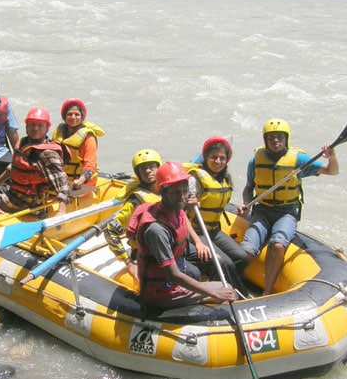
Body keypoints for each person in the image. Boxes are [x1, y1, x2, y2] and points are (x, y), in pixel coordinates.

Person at [237, 119, 339, 296]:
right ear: (265, 140)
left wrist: (332, 157)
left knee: (277, 245)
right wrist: (247, 204)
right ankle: (234, 284)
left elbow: (331, 171)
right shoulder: (255, 161)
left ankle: (267, 292)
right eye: (271, 138)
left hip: (287, 212)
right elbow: (248, 188)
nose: (275, 141)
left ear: (286, 139)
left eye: (279, 137)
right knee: (246, 249)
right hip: (262, 210)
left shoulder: (299, 160)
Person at [127, 161, 236, 311]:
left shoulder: (176, 209)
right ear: (162, 192)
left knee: (222, 277)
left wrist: (198, 242)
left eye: (184, 191)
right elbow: (173, 275)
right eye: (176, 192)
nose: (182, 197)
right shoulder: (156, 230)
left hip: (175, 277)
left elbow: (182, 224)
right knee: (223, 289)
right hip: (161, 292)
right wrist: (213, 292)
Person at [185, 136, 251, 276]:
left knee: (241, 258)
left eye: (222, 158)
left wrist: (241, 208)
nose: (218, 162)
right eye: (213, 157)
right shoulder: (195, 180)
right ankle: (222, 290)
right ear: (206, 158)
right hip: (196, 231)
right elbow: (181, 215)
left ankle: (228, 284)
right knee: (224, 262)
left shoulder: (225, 179)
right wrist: (197, 242)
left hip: (214, 231)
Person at [0, 107, 71, 217]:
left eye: (40, 126)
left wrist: (61, 211)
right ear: (26, 126)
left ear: (47, 129)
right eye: (32, 125)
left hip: (28, 202)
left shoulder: (48, 154)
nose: (35, 128)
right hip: (14, 193)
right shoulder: (24, 143)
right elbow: (13, 168)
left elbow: (62, 183)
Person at [103, 149, 164, 283]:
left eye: (151, 167)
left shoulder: (169, 193)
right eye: (143, 169)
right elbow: (109, 230)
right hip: (146, 254)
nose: (148, 171)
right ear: (138, 174)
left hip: (169, 249)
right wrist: (128, 263)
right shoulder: (135, 202)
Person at [52, 98, 105, 190]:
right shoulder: (58, 132)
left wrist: (80, 180)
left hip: (83, 183)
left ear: (82, 117)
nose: (73, 117)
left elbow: (90, 164)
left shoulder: (88, 137)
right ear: (64, 117)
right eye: (69, 114)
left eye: (77, 114)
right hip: (63, 180)